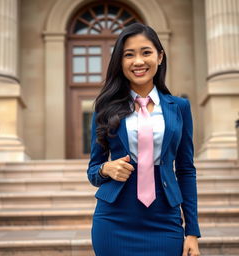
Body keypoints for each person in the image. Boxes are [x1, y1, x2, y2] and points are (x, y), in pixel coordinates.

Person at [87, 23, 201, 256]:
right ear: (120, 62)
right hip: (113, 220)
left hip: (164, 220)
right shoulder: (105, 108)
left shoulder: (179, 108)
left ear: (160, 57)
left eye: (146, 52)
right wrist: (107, 168)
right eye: (129, 55)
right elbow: (93, 172)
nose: (138, 61)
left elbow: (186, 170)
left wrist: (192, 232)